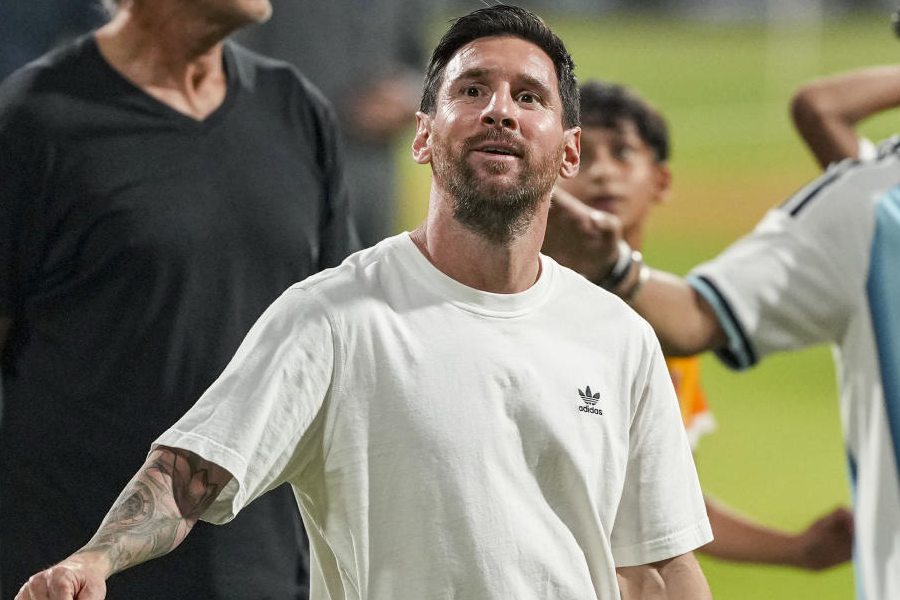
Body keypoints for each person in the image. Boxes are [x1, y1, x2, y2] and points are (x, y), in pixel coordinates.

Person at [14, 6, 714, 600]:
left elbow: (661, 559)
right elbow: (188, 473)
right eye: (472, 90)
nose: (500, 108)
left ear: (568, 153)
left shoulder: (618, 336)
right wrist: (95, 559)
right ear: (421, 134)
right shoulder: (333, 316)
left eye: (528, 97)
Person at [0, 0, 357, 597]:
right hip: (76, 573)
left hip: (264, 569)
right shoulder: (36, 121)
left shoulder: (294, 109)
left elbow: (339, 339)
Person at [541, 67, 900, 599]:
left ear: (661, 181)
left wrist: (794, 551)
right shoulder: (522, 307)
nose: (602, 175)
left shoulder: (659, 333)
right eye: (583, 156)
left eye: (622, 153)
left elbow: (662, 499)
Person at [236, 0, 432, 248]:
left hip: (372, 178)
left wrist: (406, 95)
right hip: (286, 175)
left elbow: (415, 60)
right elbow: (234, 66)